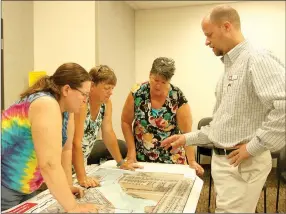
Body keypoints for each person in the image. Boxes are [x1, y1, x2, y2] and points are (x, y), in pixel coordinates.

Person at [161, 5, 286, 213]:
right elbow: (221, 125)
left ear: (226, 27)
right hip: (226, 164)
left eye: (209, 34)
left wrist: (253, 147)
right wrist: (186, 139)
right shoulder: (229, 68)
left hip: (242, 165)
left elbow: (283, 107)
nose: (206, 41)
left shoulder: (258, 59)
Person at [1, 63, 98, 213]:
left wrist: (66, 186)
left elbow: (66, 150)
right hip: (5, 183)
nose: (85, 100)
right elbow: (49, 164)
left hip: (25, 185)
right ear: (66, 90)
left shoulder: (66, 110)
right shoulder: (46, 104)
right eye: (84, 94)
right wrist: (73, 207)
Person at [121, 57, 204, 176]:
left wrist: (191, 160)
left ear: (169, 81)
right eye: (155, 80)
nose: (158, 85)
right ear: (150, 75)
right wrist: (131, 151)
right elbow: (125, 121)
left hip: (172, 158)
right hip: (142, 156)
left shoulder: (177, 97)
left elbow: (186, 132)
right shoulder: (137, 92)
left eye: (163, 82)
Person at [72, 65, 142, 188]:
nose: (110, 92)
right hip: (69, 163)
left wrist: (121, 162)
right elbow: (75, 142)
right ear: (92, 86)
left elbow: (108, 133)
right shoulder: (82, 104)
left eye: (112, 88)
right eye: (106, 88)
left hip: (81, 163)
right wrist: (81, 176)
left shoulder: (106, 104)